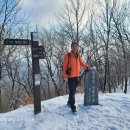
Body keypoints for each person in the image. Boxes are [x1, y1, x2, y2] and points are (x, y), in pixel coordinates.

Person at [63, 42, 89, 113]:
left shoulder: (78, 55)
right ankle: (73, 107)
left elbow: (81, 63)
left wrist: (87, 67)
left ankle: (69, 102)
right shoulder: (67, 55)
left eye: (76, 46)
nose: (75, 47)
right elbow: (64, 66)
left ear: (77, 47)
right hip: (70, 77)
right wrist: (65, 76)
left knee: (73, 91)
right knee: (72, 91)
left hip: (77, 76)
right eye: (73, 46)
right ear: (71, 47)